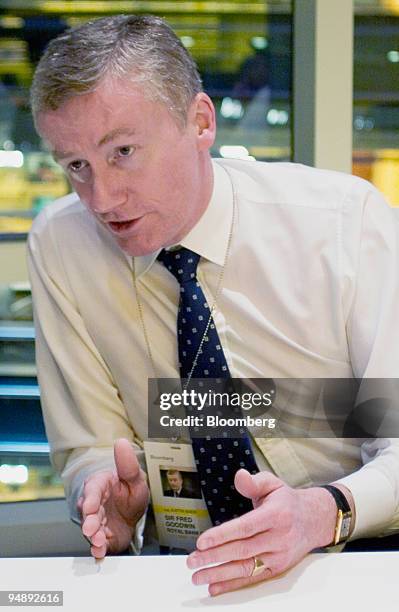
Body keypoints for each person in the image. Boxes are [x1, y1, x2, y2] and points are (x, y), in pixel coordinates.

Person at [27, 14, 399, 597]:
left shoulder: (342, 223)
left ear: (200, 122)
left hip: (356, 555)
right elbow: (92, 446)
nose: (102, 198)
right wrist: (101, 492)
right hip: (183, 576)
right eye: (76, 166)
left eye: (122, 151)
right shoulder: (61, 244)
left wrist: (324, 512)